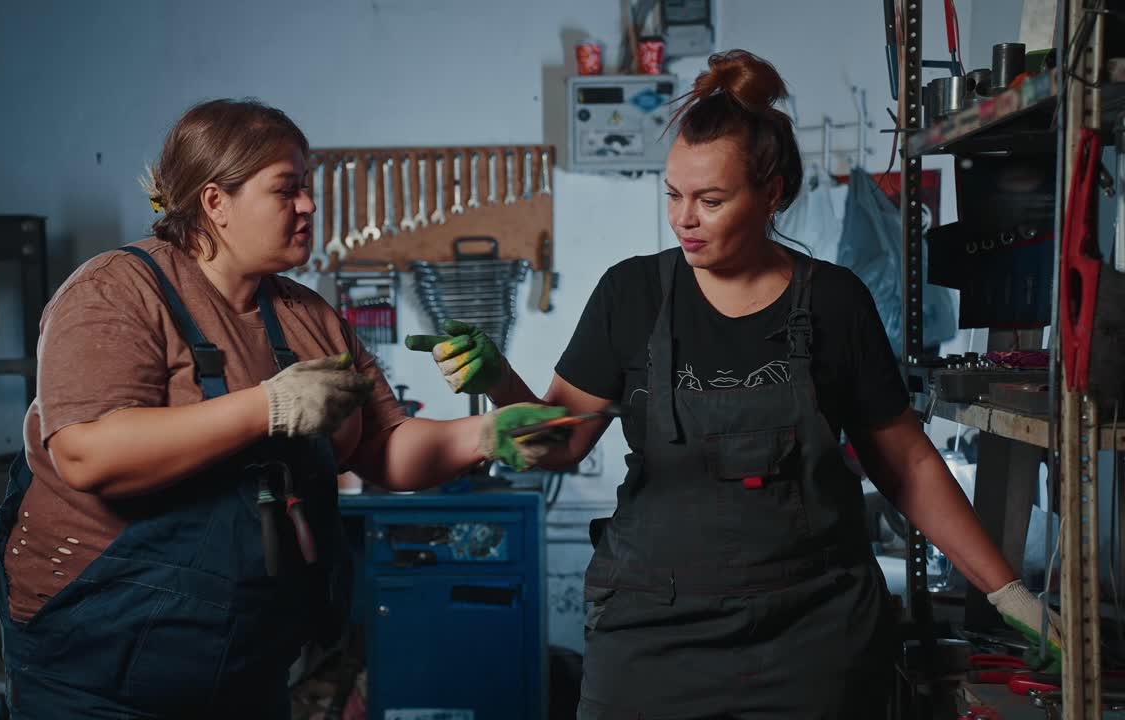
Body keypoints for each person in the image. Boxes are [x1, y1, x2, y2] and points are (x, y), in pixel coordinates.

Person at [409, 50, 1061, 718]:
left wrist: (1012, 597)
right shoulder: (630, 294)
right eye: (673, 195)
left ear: (771, 193)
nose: (684, 218)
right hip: (651, 634)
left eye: (710, 200)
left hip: (812, 637)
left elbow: (909, 466)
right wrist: (500, 381)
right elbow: (560, 441)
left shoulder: (835, 302)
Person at [0, 98, 568, 719]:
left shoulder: (308, 317)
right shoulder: (116, 290)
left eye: (307, 187)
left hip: (244, 664)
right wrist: (268, 406)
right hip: (98, 668)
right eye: (286, 190)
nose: (309, 205)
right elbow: (87, 453)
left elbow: (383, 445)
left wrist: (484, 434)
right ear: (216, 202)